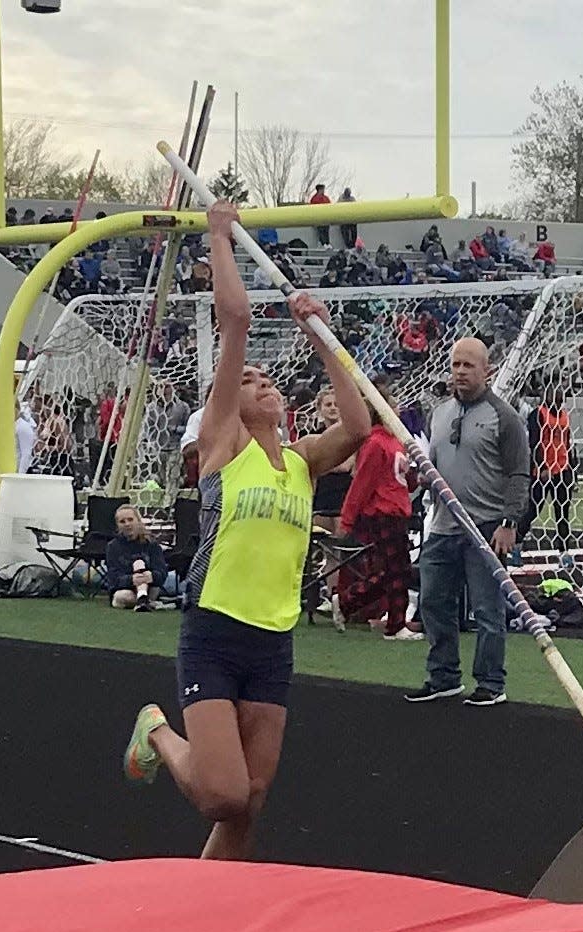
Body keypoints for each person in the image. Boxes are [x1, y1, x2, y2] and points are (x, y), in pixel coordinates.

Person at [123, 198, 370, 861]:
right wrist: (219, 237)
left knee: (251, 798)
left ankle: (210, 905)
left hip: (273, 638)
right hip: (214, 629)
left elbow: (358, 425)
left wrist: (320, 336)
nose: (258, 383)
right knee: (222, 795)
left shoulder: (300, 462)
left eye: (266, 379)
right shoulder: (221, 447)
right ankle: (158, 735)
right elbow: (233, 318)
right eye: (247, 379)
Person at [405, 337, 529, 706]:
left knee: (488, 610)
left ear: (486, 371)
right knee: (433, 601)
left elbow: (519, 474)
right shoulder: (439, 414)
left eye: (468, 366)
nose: (460, 372)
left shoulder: (504, 418)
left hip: (486, 527)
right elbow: (435, 464)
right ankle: (443, 676)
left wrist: (510, 522)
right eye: (456, 364)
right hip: (443, 526)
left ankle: (491, 681)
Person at [333, 392, 420, 640]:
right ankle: (394, 624)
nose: (399, 409)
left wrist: (416, 478)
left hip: (397, 511)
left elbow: (399, 481)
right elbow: (362, 483)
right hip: (382, 513)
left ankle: (348, 601)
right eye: (393, 404)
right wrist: (347, 518)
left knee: (395, 571)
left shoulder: (396, 442)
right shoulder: (375, 443)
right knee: (396, 570)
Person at [517, 394, 577, 555]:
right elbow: (535, 442)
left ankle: (564, 552)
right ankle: (516, 544)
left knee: (562, 512)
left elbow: (567, 442)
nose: (558, 403)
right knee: (533, 509)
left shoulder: (564, 416)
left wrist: (571, 468)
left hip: (562, 470)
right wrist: (542, 466)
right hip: (543, 472)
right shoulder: (538, 414)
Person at [105, 505, 168, 610]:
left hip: (150, 587)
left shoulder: (152, 544)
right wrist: (132, 579)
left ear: (138, 521)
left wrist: (151, 576)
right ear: (117, 525)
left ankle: (143, 599)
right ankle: (144, 601)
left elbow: (162, 572)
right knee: (122, 596)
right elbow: (113, 578)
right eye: (122, 522)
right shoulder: (113, 547)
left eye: (130, 520)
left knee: (143, 571)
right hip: (125, 590)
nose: (127, 524)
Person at [311, 387, 352, 534]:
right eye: (328, 405)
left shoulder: (350, 435)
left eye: (336, 404)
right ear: (320, 409)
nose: (333, 408)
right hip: (321, 496)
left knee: (343, 544)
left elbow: (346, 466)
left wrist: (320, 464)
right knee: (323, 546)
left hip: (344, 496)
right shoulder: (313, 436)